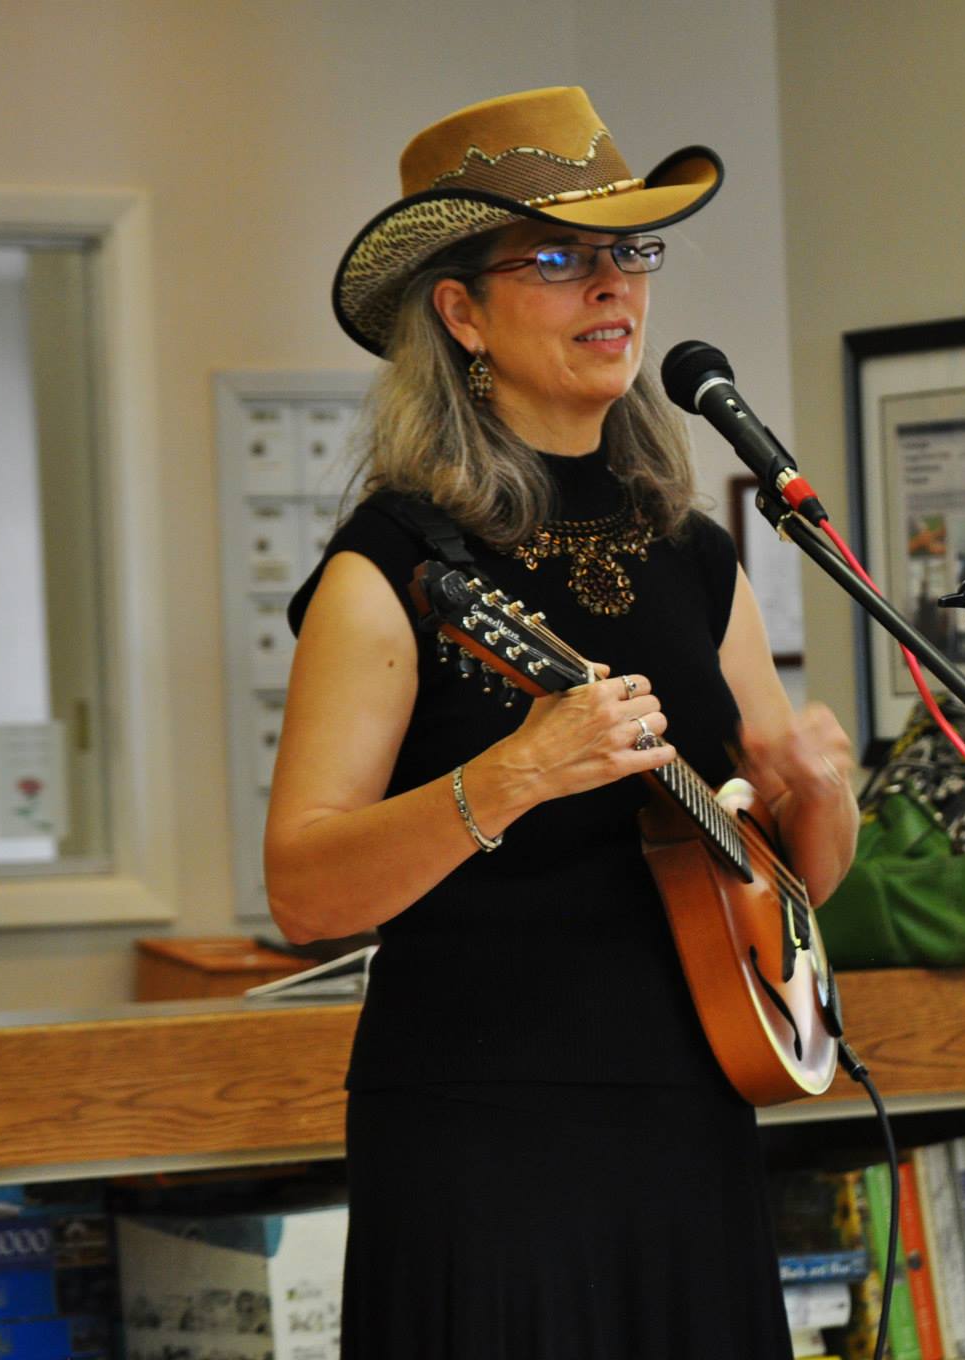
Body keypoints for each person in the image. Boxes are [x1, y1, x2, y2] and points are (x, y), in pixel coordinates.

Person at [264, 87, 857, 1360]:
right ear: (459, 310)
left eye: (626, 254)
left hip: (694, 1109)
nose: (612, 289)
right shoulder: (392, 569)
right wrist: (514, 774)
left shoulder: (694, 554)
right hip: (487, 1132)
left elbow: (794, 887)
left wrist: (818, 794)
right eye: (558, 258)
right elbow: (304, 890)